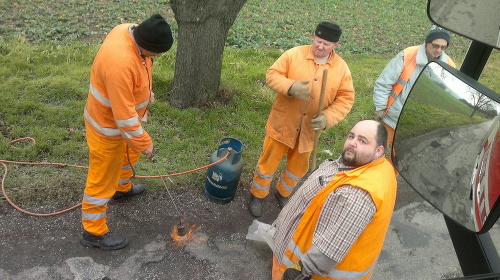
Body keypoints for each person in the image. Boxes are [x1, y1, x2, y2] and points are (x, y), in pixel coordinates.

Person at [80, 14, 173, 250]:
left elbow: (137, 75)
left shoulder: (129, 30)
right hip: (107, 128)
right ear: (145, 45)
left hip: (123, 124)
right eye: (157, 53)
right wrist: (145, 143)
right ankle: (93, 231)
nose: (159, 57)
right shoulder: (120, 63)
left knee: (128, 157)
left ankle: (121, 190)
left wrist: (144, 94)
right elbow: (124, 118)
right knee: (101, 179)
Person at [249, 21, 356, 218]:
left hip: (309, 130)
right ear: (313, 37)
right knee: (268, 162)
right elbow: (272, 75)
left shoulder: (341, 69)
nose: (320, 46)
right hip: (283, 123)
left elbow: (346, 98)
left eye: (326, 44)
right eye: (318, 40)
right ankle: (258, 194)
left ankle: (284, 193)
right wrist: (290, 87)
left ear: (336, 46)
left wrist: (328, 118)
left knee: (297, 167)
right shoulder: (293, 55)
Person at [272, 120, 397, 280]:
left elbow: (328, 250)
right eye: (352, 136)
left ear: (378, 150)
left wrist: (299, 271)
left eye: (362, 140)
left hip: (295, 267)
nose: (352, 143)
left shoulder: (356, 195)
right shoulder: (379, 166)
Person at [373, 25, 456, 149]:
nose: (438, 50)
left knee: (399, 158)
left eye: (443, 47)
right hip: (391, 117)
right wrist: (380, 108)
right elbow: (384, 83)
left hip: (415, 124)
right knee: (376, 149)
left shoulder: (449, 66)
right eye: (435, 45)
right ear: (427, 42)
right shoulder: (407, 55)